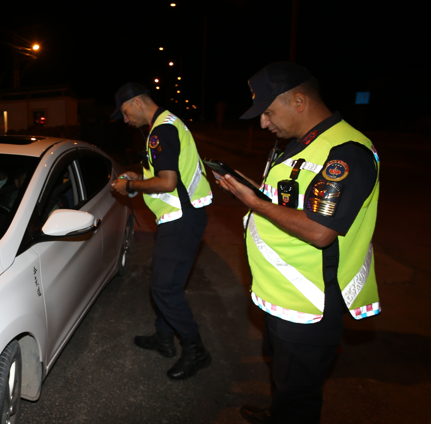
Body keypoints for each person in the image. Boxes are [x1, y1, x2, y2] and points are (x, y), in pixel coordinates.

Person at [214, 62, 381, 424]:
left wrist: (254, 203)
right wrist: (251, 188)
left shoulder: (346, 153)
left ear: (299, 101)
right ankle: (279, 411)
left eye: (269, 112)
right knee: (285, 381)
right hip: (281, 295)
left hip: (311, 304)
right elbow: (289, 202)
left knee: (300, 396)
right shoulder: (296, 145)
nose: (263, 123)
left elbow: (320, 231)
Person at [109, 82, 214, 380]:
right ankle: (164, 338)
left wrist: (130, 186)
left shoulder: (161, 132)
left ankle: (196, 351)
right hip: (181, 218)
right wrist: (139, 175)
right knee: (163, 284)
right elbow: (167, 173)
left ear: (138, 102)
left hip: (182, 220)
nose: (126, 120)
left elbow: (167, 182)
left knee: (165, 289)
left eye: (125, 112)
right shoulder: (168, 124)